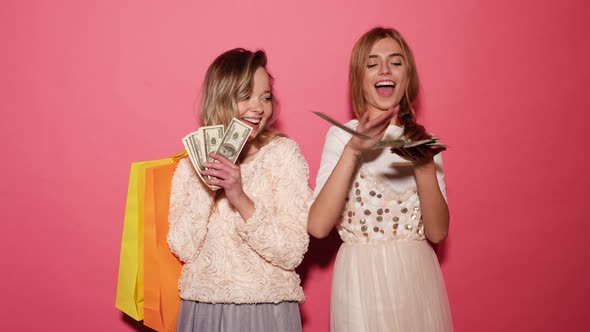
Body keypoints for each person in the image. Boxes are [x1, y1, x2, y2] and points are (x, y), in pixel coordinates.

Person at [307, 27, 453, 331]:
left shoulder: (426, 142)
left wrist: (424, 165)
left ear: (407, 76)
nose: (384, 69)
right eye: (372, 63)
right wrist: (352, 152)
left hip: (416, 281)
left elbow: (438, 233)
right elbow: (318, 226)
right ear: (359, 78)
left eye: (395, 62)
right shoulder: (341, 137)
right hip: (360, 282)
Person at [167, 48, 311, 332]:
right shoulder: (189, 164)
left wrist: (239, 197)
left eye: (265, 97)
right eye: (246, 96)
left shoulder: (282, 154)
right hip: (203, 308)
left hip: (266, 310)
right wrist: (207, 183)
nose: (258, 107)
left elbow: (293, 252)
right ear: (220, 97)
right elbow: (183, 247)